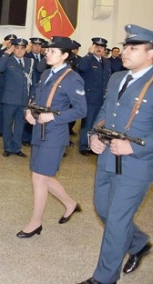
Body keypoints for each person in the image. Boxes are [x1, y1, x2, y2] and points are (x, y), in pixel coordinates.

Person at [79, 24, 153, 284]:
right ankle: (140, 242)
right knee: (103, 209)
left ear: (150, 53)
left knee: (117, 221)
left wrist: (135, 146)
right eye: (125, 46)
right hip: (108, 156)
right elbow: (103, 112)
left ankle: (104, 278)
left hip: (136, 164)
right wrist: (95, 135)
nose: (125, 51)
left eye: (133, 48)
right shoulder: (116, 78)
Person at [19, 36, 87, 238]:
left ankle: (35, 222)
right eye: (48, 50)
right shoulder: (47, 73)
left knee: (38, 177)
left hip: (54, 134)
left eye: (53, 51)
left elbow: (81, 110)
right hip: (39, 131)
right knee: (43, 174)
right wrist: (29, 111)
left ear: (65, 55)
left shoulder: (73, 78)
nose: (47, 53)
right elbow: (37, 97)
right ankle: (70, 204)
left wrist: (54, 116)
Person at [0, 38, 34, 158]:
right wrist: (7, 52)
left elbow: (33, 80)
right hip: (10, 98)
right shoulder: (8, 60)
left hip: (23, 99)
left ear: (25, 49)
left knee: (20, 124)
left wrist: (32, 96)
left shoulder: (29, 61)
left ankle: (17, 147)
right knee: (7, 124)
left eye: (22, 48)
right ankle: (7, 147)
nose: (20, 51)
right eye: (17, 48)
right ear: (13, 48)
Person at [77, 37, 112, 155]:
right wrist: (89, 54)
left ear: (104, 49)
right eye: (97, 47)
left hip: (102, 98)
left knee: (98, 124)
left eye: (101, 47)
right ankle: (83, 146)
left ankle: (94, 145)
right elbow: (81, 67)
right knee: (87, 123)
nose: (99, 49)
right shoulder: (87, 59)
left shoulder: (106, 62)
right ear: (93, 47)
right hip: (90, 98)